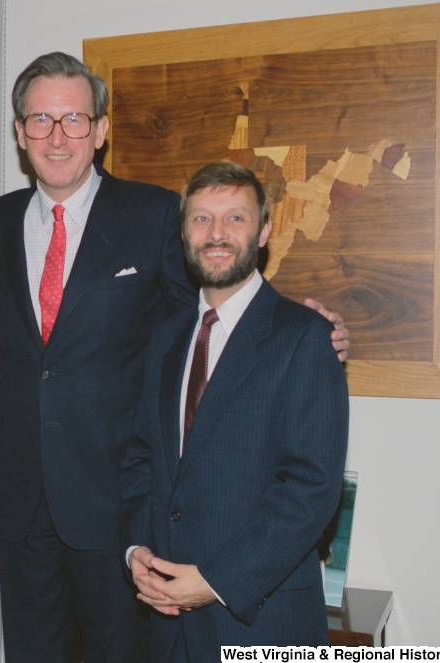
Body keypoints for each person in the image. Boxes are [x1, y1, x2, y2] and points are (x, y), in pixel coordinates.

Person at [0, 52, 350, 662]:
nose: (57, 136)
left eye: (74, 119)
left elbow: (212, 303)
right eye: (40, 120)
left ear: (101, 129)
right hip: (23, 503)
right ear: (18, 132)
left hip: (118, 507)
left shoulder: (152, 214)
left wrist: (306, 328)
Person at [121, 162, 349, 661]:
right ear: (184, 232)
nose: (216, 234)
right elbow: (143, 461)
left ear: (264, 229)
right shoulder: (165, 339)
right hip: (166, 624)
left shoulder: (305, 337)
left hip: (260, 622)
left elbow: (311, 490)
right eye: (201, 219)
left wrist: (216, 581)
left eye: (235, 219)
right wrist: (136, 550)